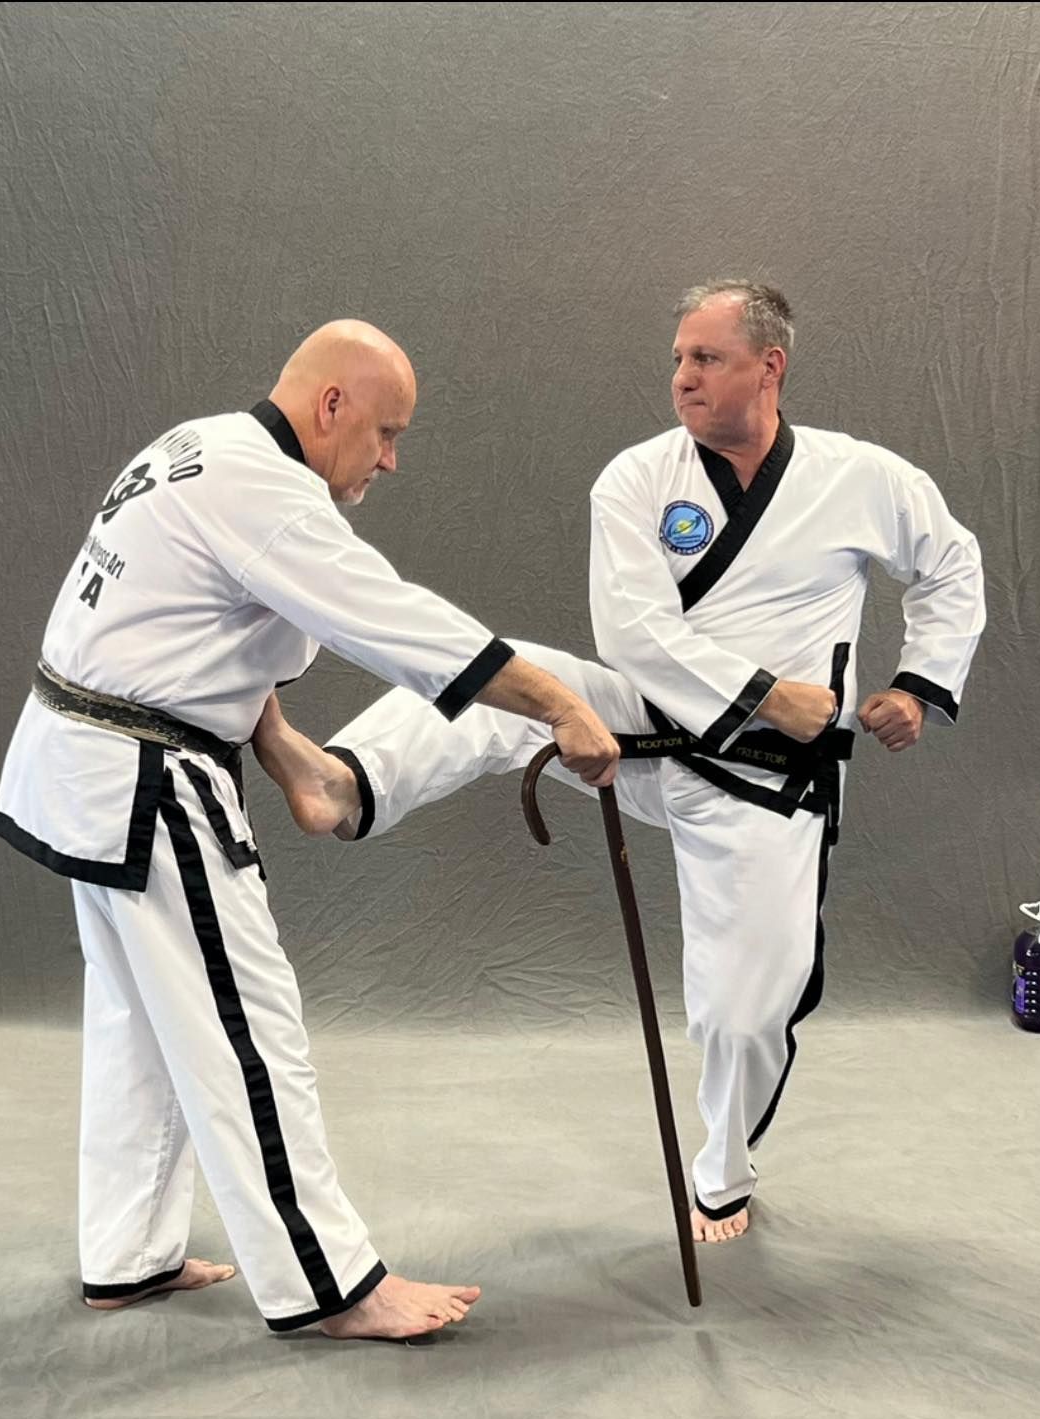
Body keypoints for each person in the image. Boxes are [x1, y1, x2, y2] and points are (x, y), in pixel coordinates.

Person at [261, 281, 986, 1245]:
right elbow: (633, 632)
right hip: (646, 727)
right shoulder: (639, 478)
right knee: (511, 681)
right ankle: (350, 779)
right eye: (679, 358)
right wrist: (766, 692)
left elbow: (952, 564)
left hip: (768, 785)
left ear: (770, 366)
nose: (682, 377)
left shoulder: (862, 479)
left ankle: (723, 1171)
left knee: (744, 1015)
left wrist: (919, 686)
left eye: (707, 358)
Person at [0, 320, 620, 1339]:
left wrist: (289, 760)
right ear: (332, 404)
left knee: (142, 1022)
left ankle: (126, 1257)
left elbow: (211, 633)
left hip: (88, 760)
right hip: (145, 780)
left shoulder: (197, 446)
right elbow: (403, 626)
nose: (391, 459)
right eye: (386, 431)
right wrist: (558, 703)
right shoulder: (269, 493)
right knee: (251, 1030)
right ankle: (334, 1286)